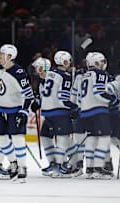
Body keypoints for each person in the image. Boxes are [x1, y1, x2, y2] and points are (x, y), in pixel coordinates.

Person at [0, 44, 34, 183]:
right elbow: (0, 90)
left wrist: (24, 111)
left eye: (2, 54)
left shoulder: (18, 72)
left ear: (9, 57)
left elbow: (29, 95)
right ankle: (13, 162)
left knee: (18, 138)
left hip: (15, 110)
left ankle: (22, 167)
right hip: (1, 110)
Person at [72, 52, 115, 179]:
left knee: (91, 139)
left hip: (85, 111)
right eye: (101, 61)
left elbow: (76, 95)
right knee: (104, 138)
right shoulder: (100, 73)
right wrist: (112, 99)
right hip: (98, 110)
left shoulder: (83, 75)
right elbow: (99, 92)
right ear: (95, 63)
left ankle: (90, 168)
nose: (103, 64)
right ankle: (98, 168)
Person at [39, 50, 75, 178]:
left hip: (47, 111)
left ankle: (54, 163)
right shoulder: (65, 76)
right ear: (64, 61)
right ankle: (59, 166)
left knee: (46, 136)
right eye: (68, 60)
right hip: (59, 111)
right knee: (63, 138)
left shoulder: (50, 73)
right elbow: (64, 98)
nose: (69, 63)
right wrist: (74, 108)